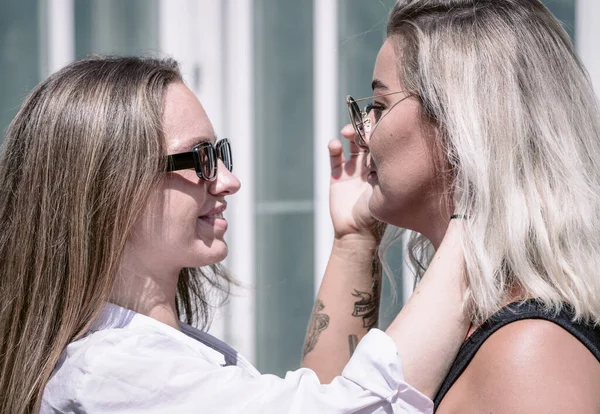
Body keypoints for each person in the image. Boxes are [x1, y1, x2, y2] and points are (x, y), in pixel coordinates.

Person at [0, 56, 469, 414]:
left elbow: (318, 399)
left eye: (220, 153)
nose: (227, 180)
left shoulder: (137, 357)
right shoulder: (113, 373)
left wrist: (355, 237)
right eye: (199, 158)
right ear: (112, 186)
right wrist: (483, 206)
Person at [307, 0, 600, 412]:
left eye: (380, 106)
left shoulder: (530, 350)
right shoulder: (472, 324)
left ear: (461, 122)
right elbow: (327, 403)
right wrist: (354, 238)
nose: (362, 132)